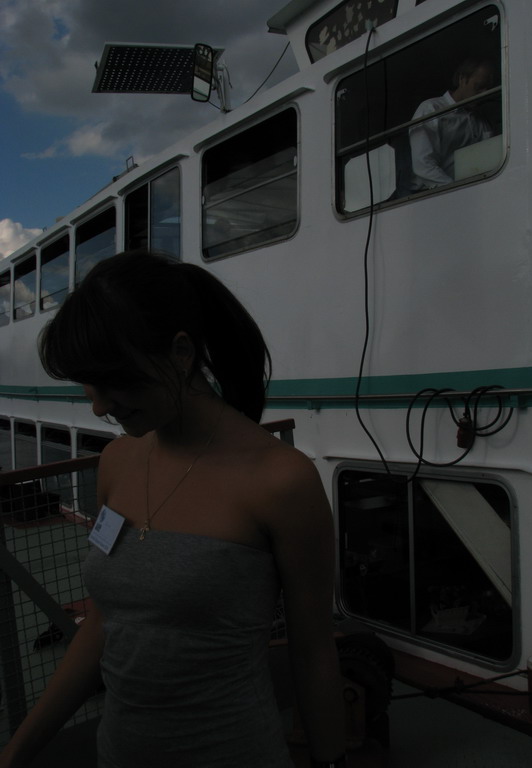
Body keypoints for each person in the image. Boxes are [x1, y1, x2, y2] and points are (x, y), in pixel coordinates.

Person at [0, 251, 347, 768]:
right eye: (88, 384)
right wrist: (16, 753)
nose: (99, 405)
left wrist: (331, 761)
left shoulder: (281, 480)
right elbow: (105, 623)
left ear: (181, 353)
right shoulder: (116, 462)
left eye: (113, 380)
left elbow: (313, 651)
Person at [409, 58, 495, 192]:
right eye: (478, 87)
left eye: (487, 89)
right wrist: (455, 189)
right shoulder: (431, 109)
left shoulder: (479, 120)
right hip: (433, 193)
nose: (484, 93)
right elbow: (423, 165)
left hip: (470, 190)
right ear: (462, 79)